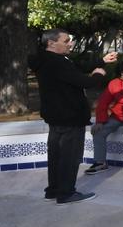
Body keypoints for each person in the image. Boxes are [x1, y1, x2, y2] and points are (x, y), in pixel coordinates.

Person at [28, 29, 118, 204]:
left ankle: (53, 190)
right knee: (70, 157)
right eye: (66, 40)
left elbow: (77, 69)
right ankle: (66, 193)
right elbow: (85, 82)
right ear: (51, 43)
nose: (71, 43)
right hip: (69, 117)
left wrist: (102, 61)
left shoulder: (49, 60)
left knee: (56, 156)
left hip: (55, 117)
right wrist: (99, 74)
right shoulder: (58, 63)